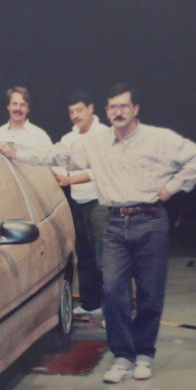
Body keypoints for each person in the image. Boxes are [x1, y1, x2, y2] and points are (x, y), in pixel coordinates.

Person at [0, 83, 196, 384]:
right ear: (107, 111)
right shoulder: (97, 142)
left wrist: (172, 188)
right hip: (114, 223)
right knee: (112, 293)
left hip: (150, 221)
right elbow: (57, 155)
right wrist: (15, 152)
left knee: (149, 294)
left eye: (123, 106)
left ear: (135, 109)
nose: (118, 112)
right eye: (113, 107)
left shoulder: (157, 138)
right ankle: (122, 356)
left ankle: (144, 355)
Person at [53, 91, 110, 317]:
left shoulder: (104, 134)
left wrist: (69, 180)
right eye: (71, 112)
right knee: (84, 256)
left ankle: (112, 310)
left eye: (79, 110)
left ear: (91, 109)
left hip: (100, 203)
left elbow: (100, 170)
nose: (75, 115)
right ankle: (91, 303)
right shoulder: (69, 138)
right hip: (78, 202)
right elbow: (57, 161)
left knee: (105, 258)